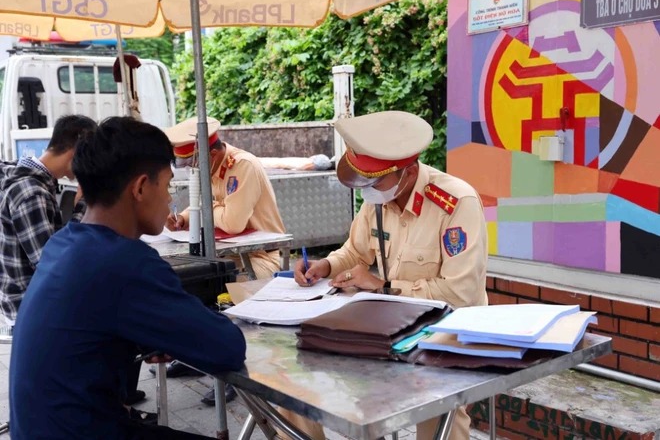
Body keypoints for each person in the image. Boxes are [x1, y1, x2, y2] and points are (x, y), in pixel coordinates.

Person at [9, 116, 247, 440]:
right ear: (140, 188)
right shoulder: (125, 262)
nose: (169, 199)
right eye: (167, 186)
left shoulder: (62, 243)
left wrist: (149, 336)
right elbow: (227, 347)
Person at [294, 110, 489, 440]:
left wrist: (384, 286)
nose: (368, 190)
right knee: (308, 377)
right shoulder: (378, 199)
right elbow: (355, 251)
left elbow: (461, 294)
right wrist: (325, 265)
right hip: (391, 328)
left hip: (448, 333)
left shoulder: (456, 202)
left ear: (409, 172)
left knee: (439, 410)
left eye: (376, 181)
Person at [158, 117, 286, 406]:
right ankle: (195, 358)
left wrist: (207, 208)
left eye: (195, 163)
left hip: (260, 258)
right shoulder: (211, 169)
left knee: (219, 295)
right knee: (189, 288)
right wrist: (183, 218)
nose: (193, 170)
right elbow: (206, 206)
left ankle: (233, 372)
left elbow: (233, 221)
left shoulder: (242, 166)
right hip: (227, 257)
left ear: (213, 154)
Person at [0, 114, 97, 324]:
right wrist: (82, 206)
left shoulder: (30, 179)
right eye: (90, 156)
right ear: (77, 150)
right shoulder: (31, 193)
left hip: (28, 302)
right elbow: (53, 264)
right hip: (31, 310)